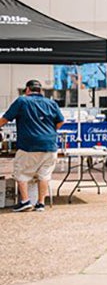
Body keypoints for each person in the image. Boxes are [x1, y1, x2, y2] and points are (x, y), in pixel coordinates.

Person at [1, 80, 65, 212]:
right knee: (44, 175)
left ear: (27, 90)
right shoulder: (51, 103)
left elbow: (5, 119)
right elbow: (61, 121)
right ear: (40, 91)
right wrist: (50, 132)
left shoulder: (22, 101)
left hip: (29, 145)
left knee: (21, 173)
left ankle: (25, 201)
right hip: (50, 145)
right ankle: (40, 203)